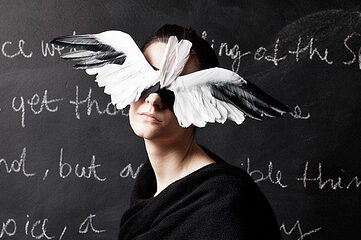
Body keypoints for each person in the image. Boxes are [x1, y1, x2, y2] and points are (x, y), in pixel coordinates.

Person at [118, 24, 283, 240]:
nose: (153, 98)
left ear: (204, 103)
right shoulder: (146, 190)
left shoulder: (224, 202)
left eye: (175, 89)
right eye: (145, 80)